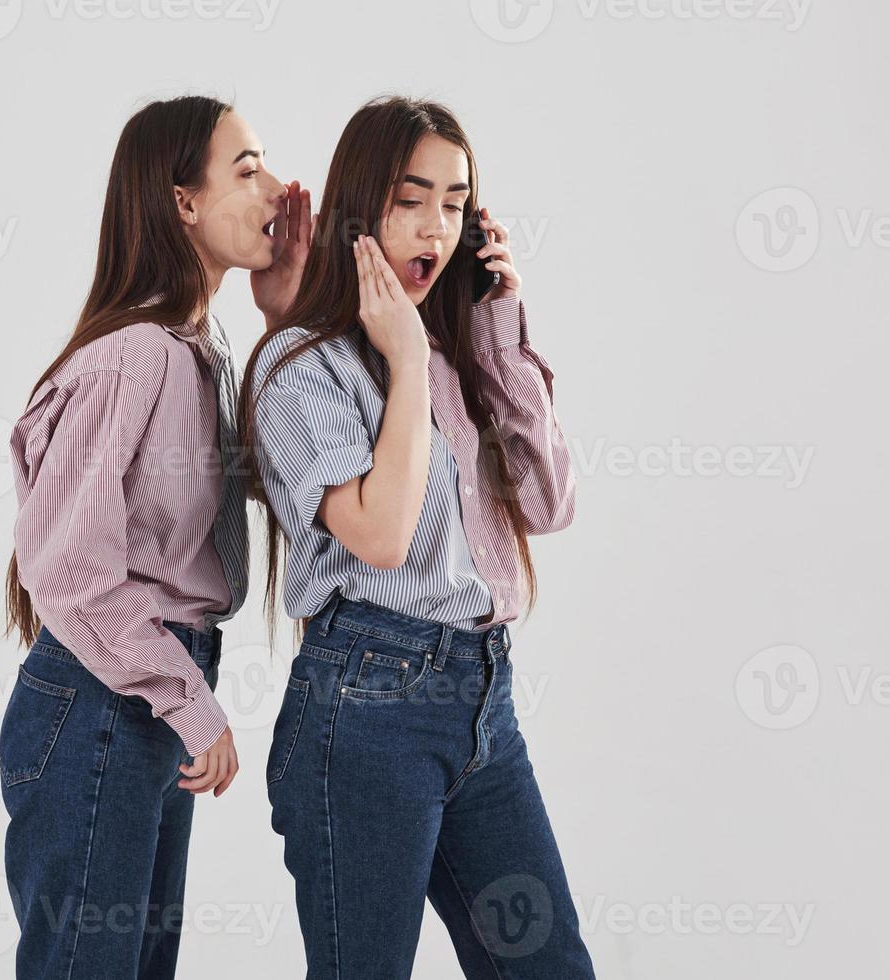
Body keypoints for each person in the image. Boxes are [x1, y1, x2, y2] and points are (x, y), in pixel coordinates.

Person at [240, 95, 595, 979]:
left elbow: (550, 504)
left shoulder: (458, 355)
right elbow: (385, 538)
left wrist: (499, 330)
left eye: (455, 200)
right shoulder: (302, 368)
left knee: (550, 967)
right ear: (363, 210)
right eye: (410, 198)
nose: (436, 224)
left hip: (483, 705)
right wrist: (400, 359)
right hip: (364, 712)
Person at [0, 94, 311, 979]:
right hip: (107, 698)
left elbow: (290, 489)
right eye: (246, 169)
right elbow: (65, 566)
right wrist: (184, 697)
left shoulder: (196, 353)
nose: (279, 189)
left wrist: (283, 318)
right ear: (182, 202)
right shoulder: (135, 355)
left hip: (139, 698)